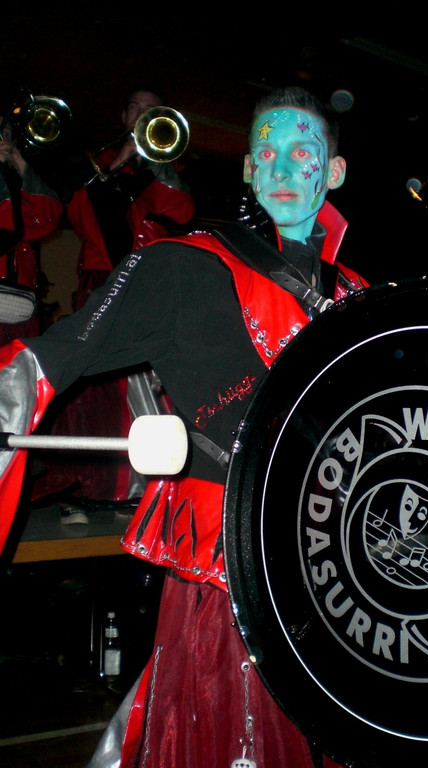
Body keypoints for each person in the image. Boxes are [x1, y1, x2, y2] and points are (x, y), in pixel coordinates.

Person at [0, 86, 368, 767]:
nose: (282, 169)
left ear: (334, 170)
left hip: (334, 577)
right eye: (266, 153)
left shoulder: (359, 300)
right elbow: (46, 361)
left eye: (303, 153)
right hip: (229, 572)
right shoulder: (184, 264)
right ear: (249, 168)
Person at [31, 86, 196, 514]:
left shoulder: (167, 166)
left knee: (150, 383)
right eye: (136, 108)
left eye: (151, 110)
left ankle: (143, 484)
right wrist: (120, 160)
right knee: (96, 388)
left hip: (150, 285)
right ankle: (96, 483)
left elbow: (181, 213)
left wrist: (153, 166)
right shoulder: (97, 162)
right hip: (103, 280)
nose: (142, 116)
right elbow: (78, 215)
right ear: (123, 115)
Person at [0, 114, 63, 345]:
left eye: (5, 133)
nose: (1, 138)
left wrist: (18, 160)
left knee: (20, 363)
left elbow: (49, 218)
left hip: (19, 292)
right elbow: (7, 224)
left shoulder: (17, 177)